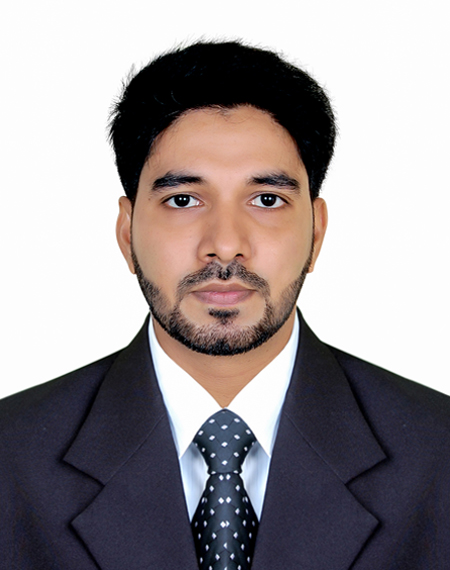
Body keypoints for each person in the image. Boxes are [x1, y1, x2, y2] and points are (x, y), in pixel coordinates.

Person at [1, 40, 449, 570]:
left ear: (316, 233)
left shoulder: (438, 454)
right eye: (183, 200)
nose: (226, 244)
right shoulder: (11, 458)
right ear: (126, 233)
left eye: (267, 200)